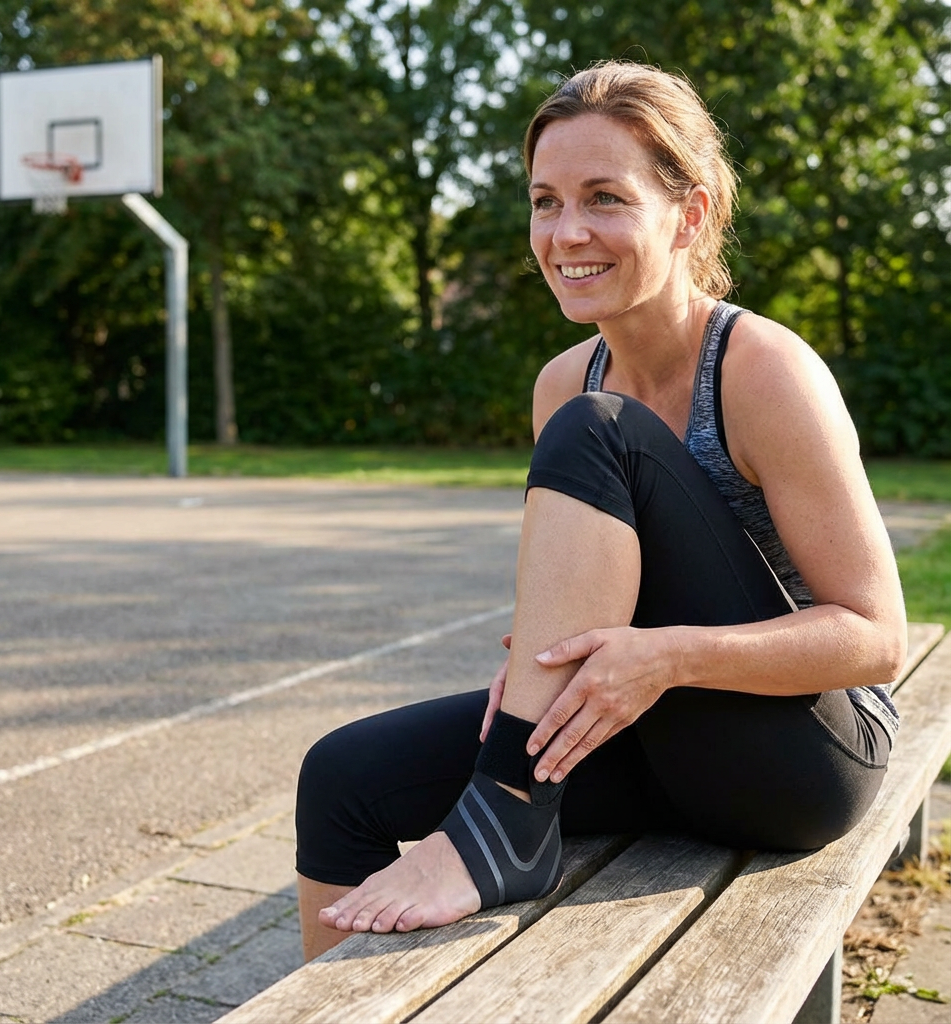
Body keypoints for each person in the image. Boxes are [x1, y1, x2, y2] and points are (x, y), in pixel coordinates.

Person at [293, 60, 907, 961]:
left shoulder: (762, 370)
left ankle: (501, 824)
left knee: (602, 429)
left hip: (800, 755)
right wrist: (538, 670)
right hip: (651, 733)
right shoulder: (560, 384)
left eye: (604, 198)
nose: (566, 231)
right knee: (341, 776)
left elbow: (876, 637)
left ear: (688, 216)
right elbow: (580, 591)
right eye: (545, 201)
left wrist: (665, 657)